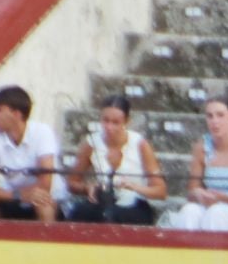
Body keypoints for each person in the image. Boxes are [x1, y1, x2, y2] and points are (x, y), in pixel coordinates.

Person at [62, 94, 166, 225]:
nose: (109, 127)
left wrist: (133, 187)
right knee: (79, 212)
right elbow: (71, 182)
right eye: (105, 121)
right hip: (104, 200)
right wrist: (87, 188)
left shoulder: (140, 144)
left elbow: (160, 191)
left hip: (134, 204)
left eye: (116, 122)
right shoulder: (91, 143)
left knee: (111, 215)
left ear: (126, 121)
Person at [174, 96, 228, 232]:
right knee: (189, 210)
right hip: (212, 207)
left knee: (217, 212)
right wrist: (198, 194)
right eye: (210, 116)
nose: (215, 121)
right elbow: (191, 193)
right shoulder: (201, 148)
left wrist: (222, 198)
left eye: (220, 115)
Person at [0, 85, 58, 223]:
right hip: (12, 197)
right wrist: (18, 195)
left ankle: (49, 238)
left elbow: (45, 185)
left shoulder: (42, 132)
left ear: (16, 114)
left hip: (44, 200)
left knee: (44, 203)